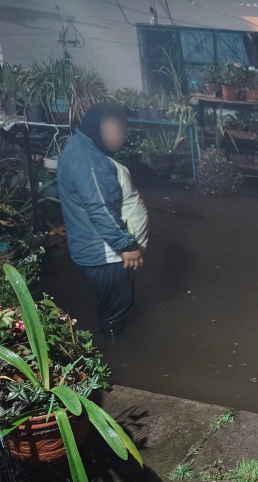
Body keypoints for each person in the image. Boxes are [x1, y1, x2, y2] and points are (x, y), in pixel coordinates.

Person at [58, 102, 148, 337]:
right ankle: (116, 358)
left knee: (113, 304)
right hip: (106, 255)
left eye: (123, 130)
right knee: (115, 314)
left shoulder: (81, 145)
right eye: (116, 130)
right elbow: (99, 207)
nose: (122, 137)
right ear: (97, 128)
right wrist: (127, 246)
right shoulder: (90, 163)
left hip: (93, 251)